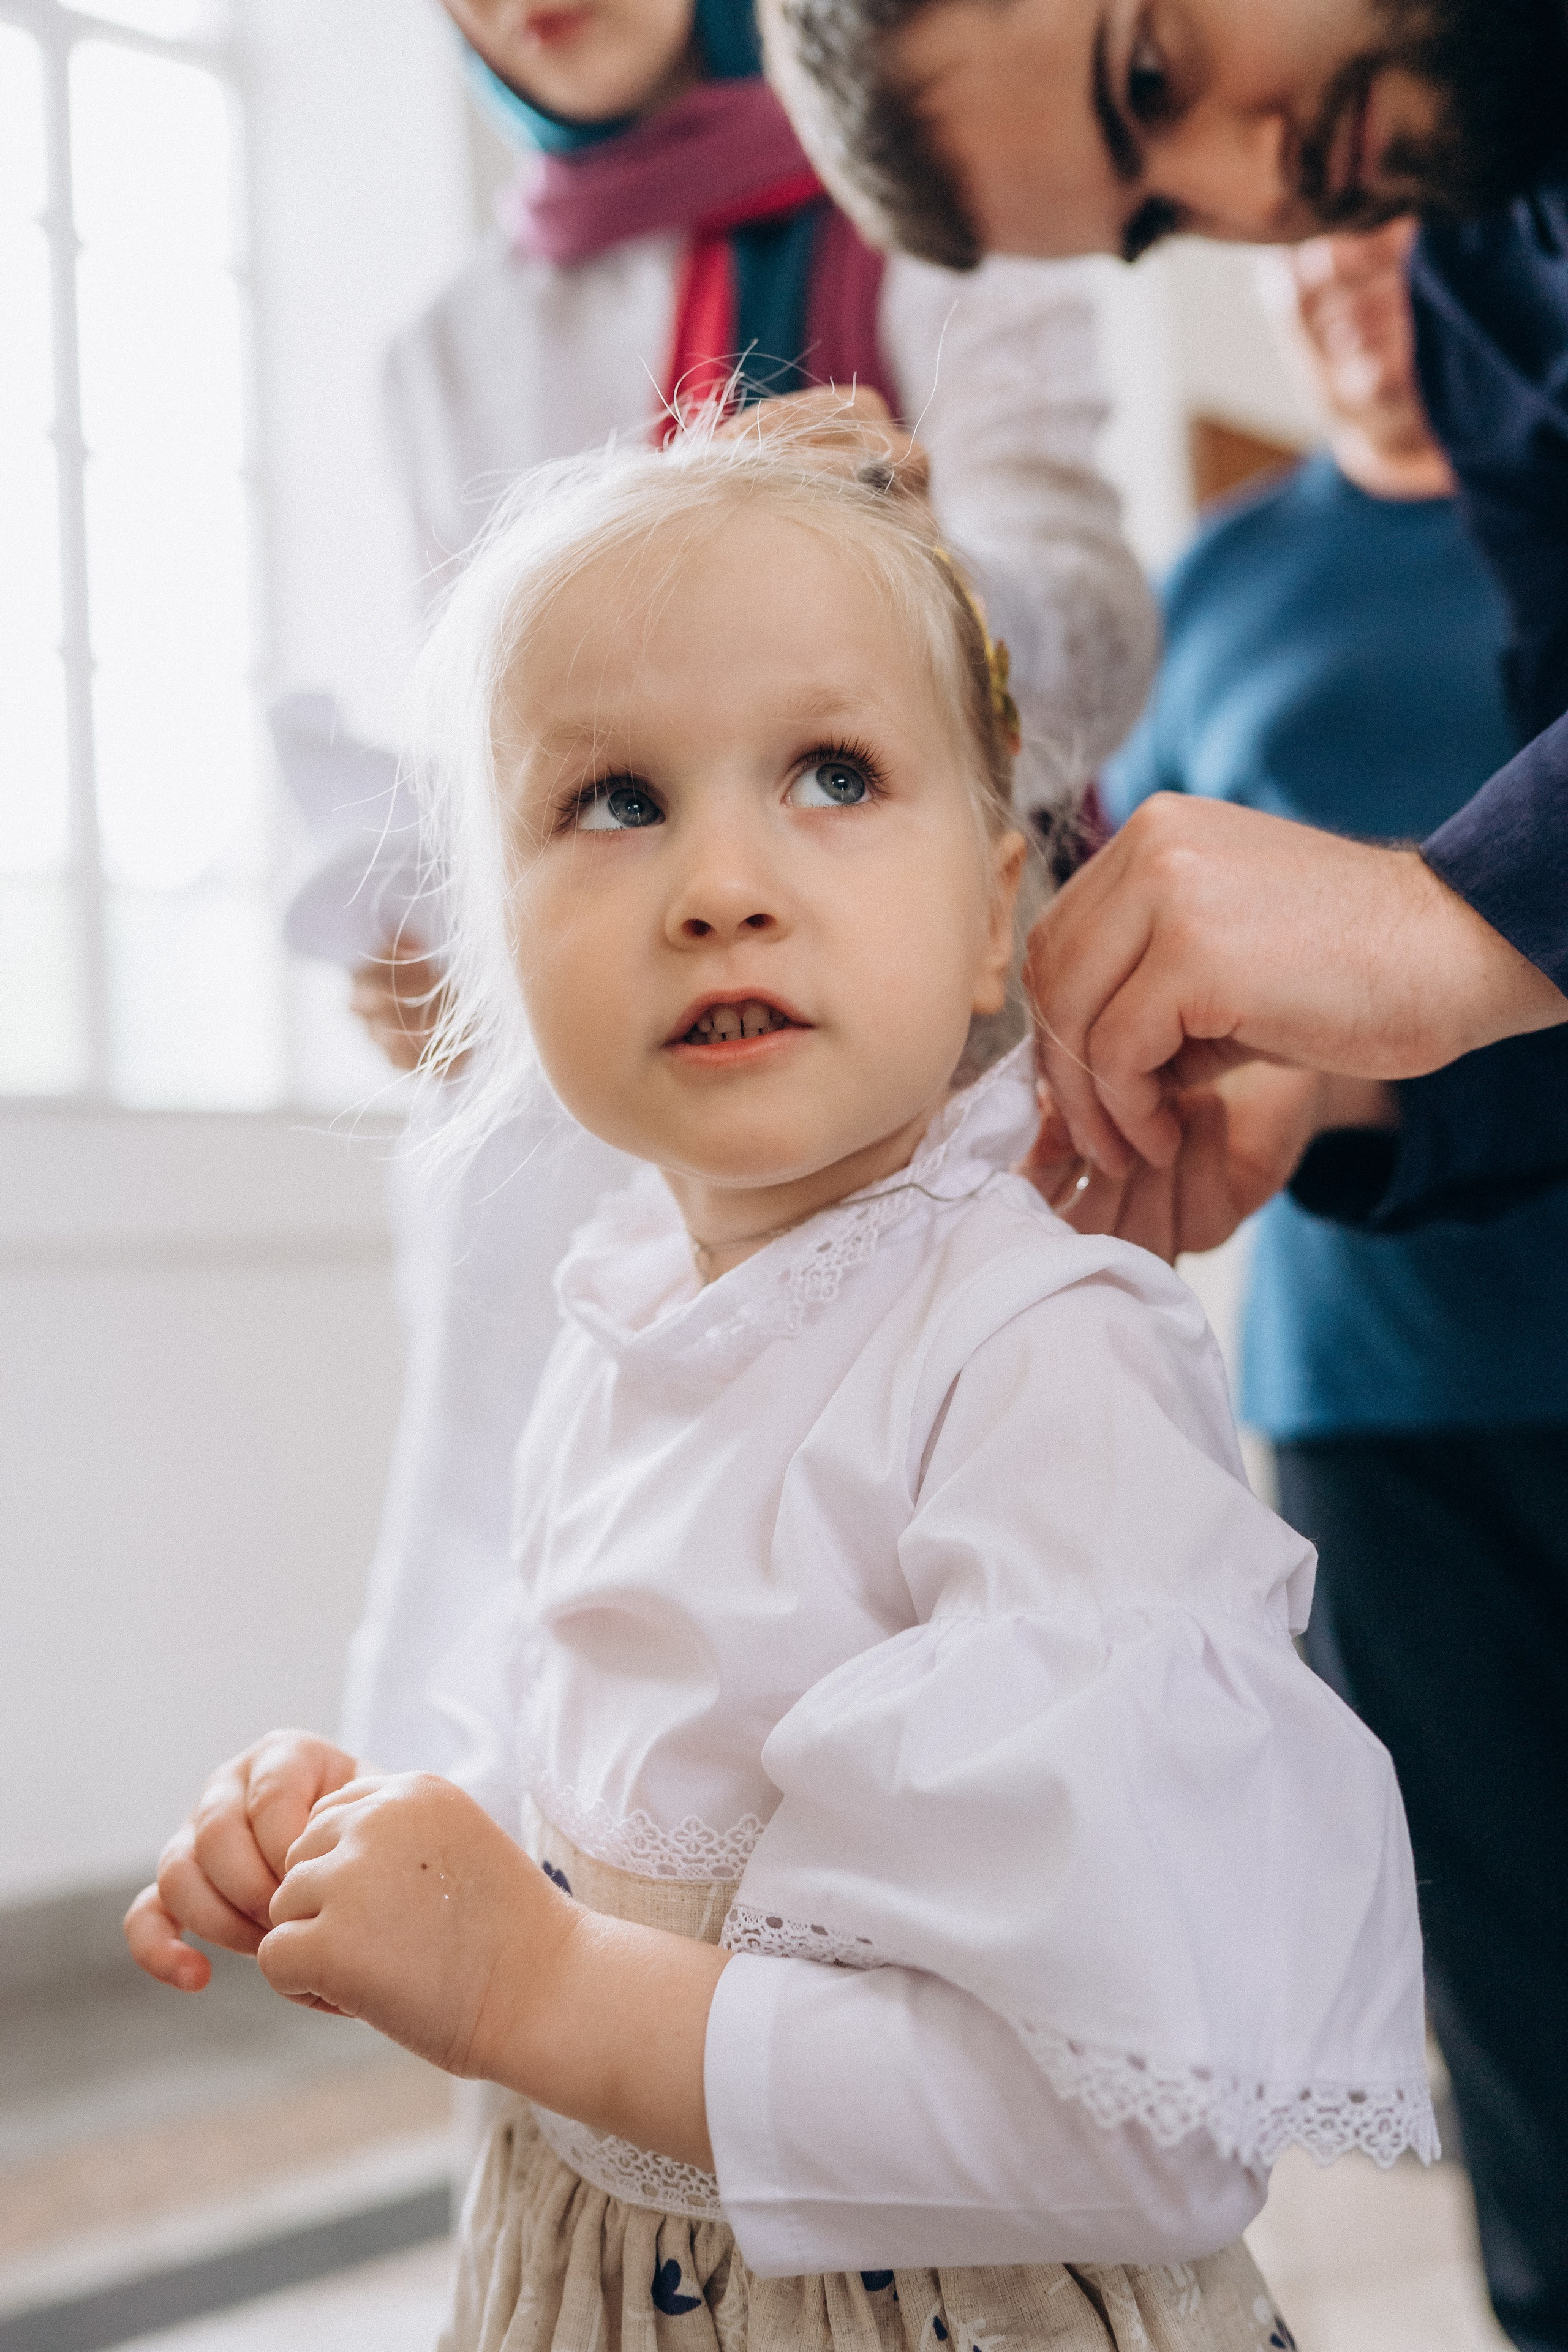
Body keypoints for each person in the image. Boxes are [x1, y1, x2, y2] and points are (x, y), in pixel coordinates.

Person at [129, 424, 1434, 2351]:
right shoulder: (623, 1320)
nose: (722, 881)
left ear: (1002, 907)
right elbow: (604, 1779)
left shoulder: (1032, 1355)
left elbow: (1134, 2120)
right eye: (614, 799)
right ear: (492, 946)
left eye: (833, 774)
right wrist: (384, 1825)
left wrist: (543, 1994)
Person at [297, 0, 1156, 1774]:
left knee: (884, 1687)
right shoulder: (437, 348)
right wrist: (421, 948)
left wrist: (895, 569)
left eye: (826, 772)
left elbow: (1092, 633)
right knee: (543, 1690)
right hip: (560, 1166)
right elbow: (466, 767)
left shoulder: (933, 191)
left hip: (876, 1117)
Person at [759, 0, 1568, 1243]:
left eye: (1147, 74)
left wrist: (1450, 916)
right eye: (1159, 220)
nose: (1255, 187)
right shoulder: (1483, 296)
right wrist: (1332, 1083)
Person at [1102, 217, 1568, 2352]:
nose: (1342, 284)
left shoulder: (1540, 504)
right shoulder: (1220, 583)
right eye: (1290, 257)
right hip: (1374, 1395)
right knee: (1515, 2004)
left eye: (1380, 235)